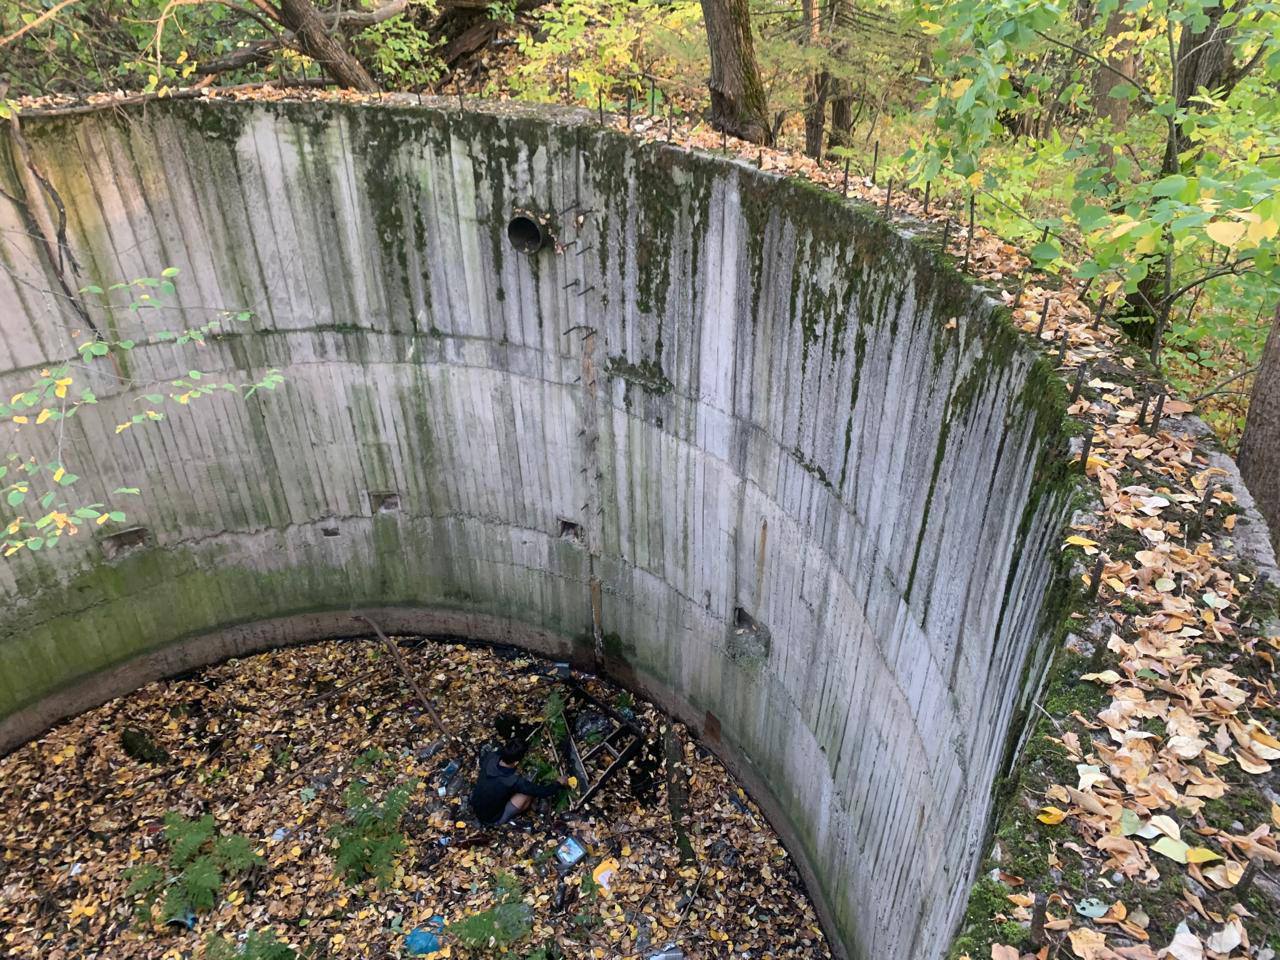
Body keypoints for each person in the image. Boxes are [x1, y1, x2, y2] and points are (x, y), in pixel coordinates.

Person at [469, 740, 567, 826]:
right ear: (516, 762)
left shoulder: (491, 757)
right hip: (491, 819)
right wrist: (558, 783)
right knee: (526, 796)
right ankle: (516, 814)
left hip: (476, 804)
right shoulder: (512, 781)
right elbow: (543, 791)